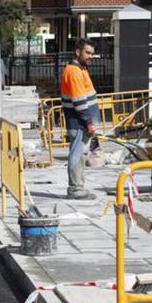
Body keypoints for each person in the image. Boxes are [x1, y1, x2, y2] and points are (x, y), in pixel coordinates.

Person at [61, 38, 98, 200]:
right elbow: (79, 101)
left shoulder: (80, 69)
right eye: (88, 53)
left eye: (92, 54)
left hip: (81, 122)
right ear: (78, 52)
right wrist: (88, 122)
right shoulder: (74, 71)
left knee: (81, 154)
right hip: (79, 122)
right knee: (78, 154)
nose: (91, 56)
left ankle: (78, 187)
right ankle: (76, 189)